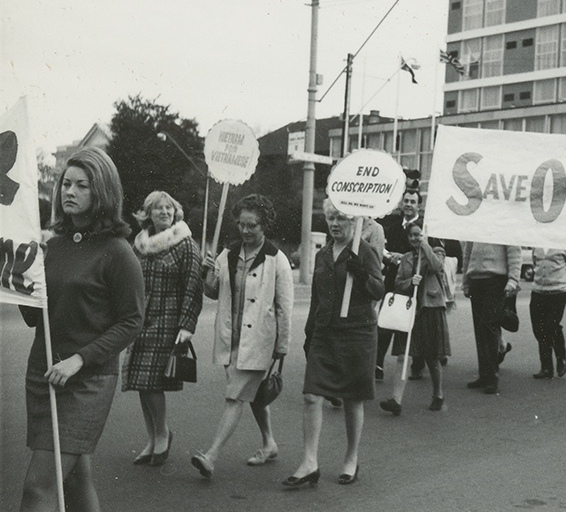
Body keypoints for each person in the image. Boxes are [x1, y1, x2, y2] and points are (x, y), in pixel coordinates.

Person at [19, 148, 145, 512]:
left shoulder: (118, 252)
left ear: (102, 192)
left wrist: (79, 359)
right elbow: (38, 318)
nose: (68, 192)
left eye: (81, 186)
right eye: (65, 184)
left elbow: (132, 320)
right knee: (75, 480)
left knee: (38, 487)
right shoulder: (52, 248)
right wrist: (16, 284)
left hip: (85, 381)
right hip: (43, 375)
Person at [192, 194, 294, 478]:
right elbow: (213, 292)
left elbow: (284, 307)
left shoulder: (277, 260)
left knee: (235, 396)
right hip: (231, 338)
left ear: (265, 225)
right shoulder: (227, 254)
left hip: (260, 341)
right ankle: (269, 443)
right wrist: (205, 274)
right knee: (252, 396)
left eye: (253, 226)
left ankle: (211, 455)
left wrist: (281, 347)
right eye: (242, 225)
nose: (246, 231)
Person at [284, 200, 384, 487]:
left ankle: (351, 458)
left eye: (341, 218)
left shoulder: (365, 252)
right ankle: (309, 462)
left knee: (353, 398)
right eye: (331, 218)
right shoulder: (324, 253)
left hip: (357, 333)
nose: (335, 224)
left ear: (354, 222)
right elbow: (317, 296)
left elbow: (379, 289)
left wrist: (362, 274)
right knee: (311, 396)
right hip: (325, 333)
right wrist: (309, 331)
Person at [121, 191, 203, 466]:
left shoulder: (185, 244)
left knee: (151, 381)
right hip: (141, 319)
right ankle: (155, 436)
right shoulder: (140, 245)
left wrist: (186, 325)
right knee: (141, 383)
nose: (165, 212)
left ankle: (162, 435)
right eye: (158, 209)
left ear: (176, 213)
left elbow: (193, 286)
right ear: (148, 214)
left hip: (168, 322)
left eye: (169, 208)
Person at [379, 222, 452, 414]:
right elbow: (397, 283)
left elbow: (437, 267)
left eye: (418, 235)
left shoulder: (436, 251)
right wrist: (410, 282)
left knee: (432, 356)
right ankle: (396, 400)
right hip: (410, 310)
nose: (414, 239)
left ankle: (438, 394)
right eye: (412, 236)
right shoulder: (407, 258)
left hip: (430, 308)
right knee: (404, 354)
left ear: (425, 235)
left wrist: (425, 245)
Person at [462, 241, 521, 395]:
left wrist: (513, 280)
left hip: (496, 280)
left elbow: (514, 251)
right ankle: (484, 374)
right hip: (476, 280)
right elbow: (467, 254)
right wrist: (466, 281)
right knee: (479, 330)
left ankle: (492, 376)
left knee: (487, 326)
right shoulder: (475, 223)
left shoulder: (502, 223)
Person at [375, 189, 421, 381]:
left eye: (413, 201)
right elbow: (383, 251)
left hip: (415, 283)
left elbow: (425, 254)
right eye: (406, 201)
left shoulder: (423, 228)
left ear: (419, 205)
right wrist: (390, 258)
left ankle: (418, 363)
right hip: (393, 281)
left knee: (413, 324)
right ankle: (377, 364)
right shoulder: (393, 227)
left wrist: (405, 259)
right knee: (385, 321)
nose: (409, 204)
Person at [529, 248, 566, 379]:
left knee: (551, 325)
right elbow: (535, 263)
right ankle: (546, 368)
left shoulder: (565, 244)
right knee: (538, 328)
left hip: (558, 291)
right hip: (538, 290)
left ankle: (561, 357)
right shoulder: (537, 244)